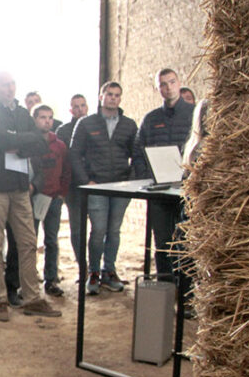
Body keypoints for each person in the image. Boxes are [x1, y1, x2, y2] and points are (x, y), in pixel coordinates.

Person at [0, 71, 61, 321]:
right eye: (4, 85)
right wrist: (19, 141)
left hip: (20, 187)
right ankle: (0, 300)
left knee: (27, 242)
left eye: (12, 84)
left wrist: (15, 142)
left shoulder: (23, 113)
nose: (10, 89)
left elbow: (40, 143)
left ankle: (32, 297)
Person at [69, 81, 137, 296]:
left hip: (120, 187)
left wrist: (131, 182)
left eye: (117, 95)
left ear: (120, 98)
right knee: (98, 231)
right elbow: (74, 153)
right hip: (96, 186)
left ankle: (109, 271)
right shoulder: (86, 124)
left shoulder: (129, 125)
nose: (113, 98)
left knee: (114, 231)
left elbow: (137, 154)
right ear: (101, 97)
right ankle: (93, 272)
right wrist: (85, 180)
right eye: (109, 94)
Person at [133, 68, 195, 285]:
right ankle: (165, 293)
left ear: (179, 83)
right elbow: (139, 150)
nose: (168, 88)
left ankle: (186, 296)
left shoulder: (194, 115)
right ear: (158, 88)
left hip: (186, 190)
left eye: (172, 82)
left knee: (186, 242)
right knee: (162, 243)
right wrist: (148, 178)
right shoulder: (151, 119)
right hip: (159, 191)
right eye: (163, 84)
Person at [30, 104, 70, 296]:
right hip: (34, 197)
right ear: (34, 119)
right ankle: (28, 280)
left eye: (50, 117)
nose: (47, 121)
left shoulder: (60, 146)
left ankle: (51, 279)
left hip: (54, 198)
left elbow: (66, 171)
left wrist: (62, 193)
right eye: (42, 117)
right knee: (30, 241)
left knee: (52, 241)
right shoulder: (29, 143)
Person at [57, 93, 89, 273]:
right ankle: (82, 267)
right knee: (77, 229)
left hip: (93, 185)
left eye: (82, 105)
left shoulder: (94, 126)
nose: (79, 109)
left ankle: (95, 267)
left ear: (87, 107)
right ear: (71, 109)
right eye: (75, 106)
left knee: (98, 229)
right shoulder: (63, 131)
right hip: (73, 187)